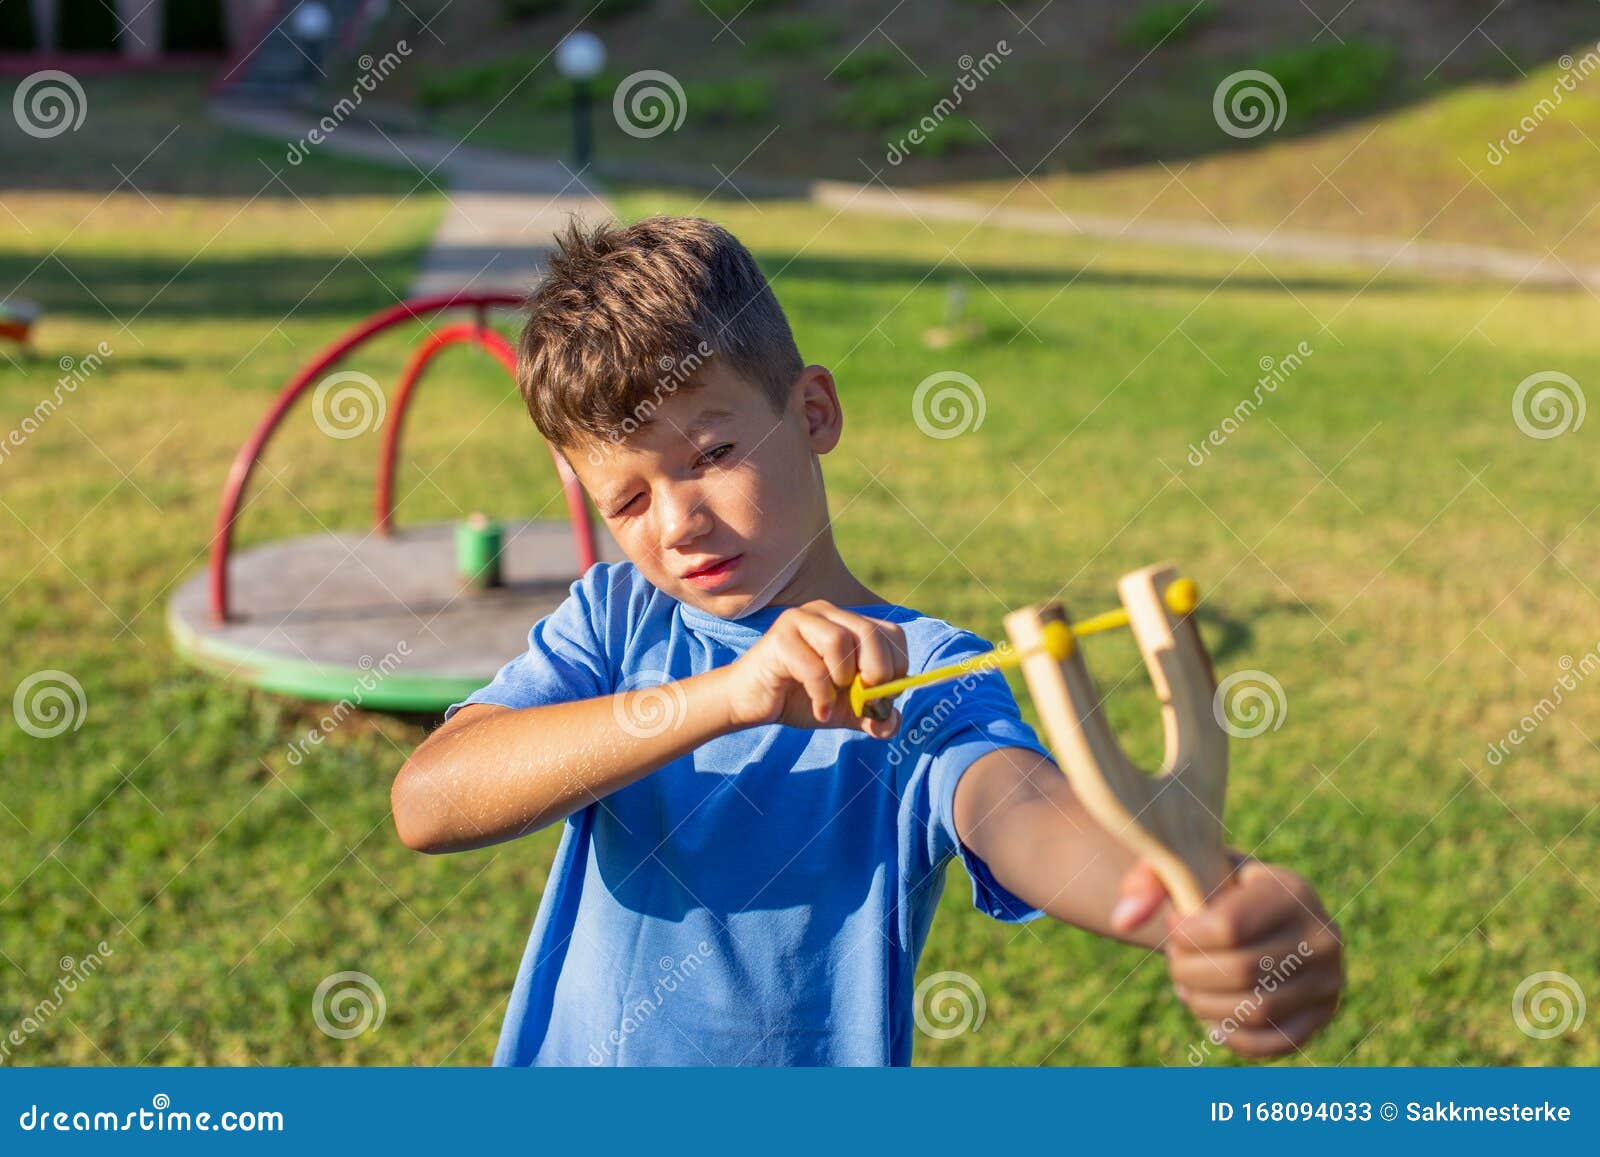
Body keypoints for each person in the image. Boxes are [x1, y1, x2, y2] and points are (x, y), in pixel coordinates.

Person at [390, 215, 1343, 1066]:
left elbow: (1024, 815)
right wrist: (727, 695)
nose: (676, 523)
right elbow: (431, 800)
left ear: (812, 413)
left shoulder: (921, 670)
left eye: (712, 454)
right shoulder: (614, 619)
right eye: (629, 499)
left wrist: (1209, 908)